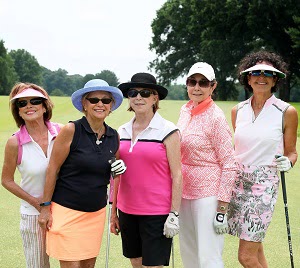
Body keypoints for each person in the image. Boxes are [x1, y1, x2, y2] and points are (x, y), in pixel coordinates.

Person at [38, 79, 127, 268]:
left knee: (88, 265)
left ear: (111, 106)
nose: (100, 104)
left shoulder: (114, 136)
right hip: (67, 210)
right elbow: (53, 169)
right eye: (94, 99)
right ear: (84, 105)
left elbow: (115, 172)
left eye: (106, 100)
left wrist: (119, 168)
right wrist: (45, 207)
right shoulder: (71, 130)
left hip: (95, 213)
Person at [227, 50, 298, 267]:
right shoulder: (237, 110)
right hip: (236, 183)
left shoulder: (286, 111)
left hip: (264, 185)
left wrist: (289, 162)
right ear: (248, 78)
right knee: (256, 251)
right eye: (255, 72)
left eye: (268, 73)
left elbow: (291, 152)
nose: (261, 77)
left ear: (275, 79)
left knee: (245, 256)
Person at [110, 72, 182, 268]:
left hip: (157, 213)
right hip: (127, 210)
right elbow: (116, 176)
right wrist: (113, 211)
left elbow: (177, 175)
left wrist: (174, 214)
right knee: (136, 262)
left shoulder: (168, 130)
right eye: (133, 93)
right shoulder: (121, 131)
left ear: (154, 97)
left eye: (145, 92)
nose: (138, 97)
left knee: (153, 266)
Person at [177, 62, 236, 268]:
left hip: (209, 196)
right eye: (192, 82)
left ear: (213, 86)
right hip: (184, 192)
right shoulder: (185, 110)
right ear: (187, 84)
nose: (197, 87)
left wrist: (222, 209)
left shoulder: (216, 117)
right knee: (189, 252)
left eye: (203, 83)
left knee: (209, 257)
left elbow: (229, 163)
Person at [1, 83, 62, 268]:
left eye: (35, 101)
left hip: (65, 209)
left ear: (44, 106)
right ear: (17, 111)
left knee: (72, 263)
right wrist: (37, 203)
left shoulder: (63, 132)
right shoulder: (14, 142)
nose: (29, 106)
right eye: (22, 103)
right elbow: (6, 180)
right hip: (32, 213)